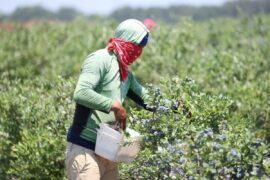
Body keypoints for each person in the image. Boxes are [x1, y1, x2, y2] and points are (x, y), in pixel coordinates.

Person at [65, 19, 151, 180]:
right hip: (84, 150)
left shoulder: (125, 73)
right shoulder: (100, 59)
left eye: (142, 48)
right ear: (126, 41)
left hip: (107, 152)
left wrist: (176, 107)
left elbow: (147, 99)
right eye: (137, 45)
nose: (139, 51)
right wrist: (115, 107)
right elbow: (81, 93)